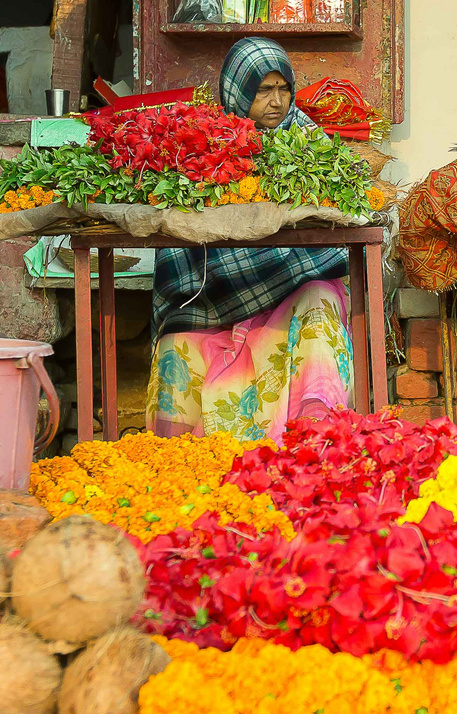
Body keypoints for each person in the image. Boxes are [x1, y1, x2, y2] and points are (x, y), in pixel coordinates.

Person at [147, 37, 353, 441]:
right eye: (262, 90)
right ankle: (175, 460)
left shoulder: (313, 147)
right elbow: (185, 243)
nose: (276, 101)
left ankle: (314, 439)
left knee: (319, 301)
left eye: (283, 89)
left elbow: (336, 235)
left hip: (295, 290)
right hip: (217, 299)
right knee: (177, 342)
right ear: (237, 93)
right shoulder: (203, 147)